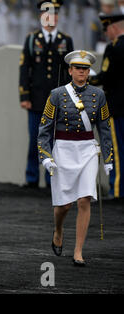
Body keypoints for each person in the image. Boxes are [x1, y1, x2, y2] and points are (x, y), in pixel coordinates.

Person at [37, 50, 113, 266]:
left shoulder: (99, 96)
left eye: (86, 69)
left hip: (88, 149)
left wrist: (108, 158)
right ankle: (58, 230)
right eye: (78, 68)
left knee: (84, 199)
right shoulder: (56, 94)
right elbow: (44, 129)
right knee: (64, 205)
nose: (82, 72)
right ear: (70, 70)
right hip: (64, 149)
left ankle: (78, 250)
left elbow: (105, 128)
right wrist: (45, 155)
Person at [19, 0, 73, 189]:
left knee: (55, 140)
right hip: (36, 98)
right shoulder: (33, 39)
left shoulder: (65, 40)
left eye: (55, 14)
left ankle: (52, 178)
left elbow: (69, 70)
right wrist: (24, 96)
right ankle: (32, 177)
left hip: (57, 100)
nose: (52, 18)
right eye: (48, 14)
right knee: (35, 139)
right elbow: (25, 68)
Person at [90, 13, 124, 201]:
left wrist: (89, 78)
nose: (106, 33)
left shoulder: (114, 48)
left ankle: (117, 190)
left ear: (113, 28)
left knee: (117, 151)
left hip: (117, 108)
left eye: (107, 29)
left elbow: (105, 76)